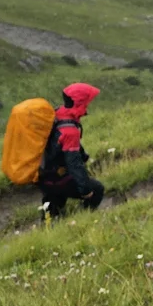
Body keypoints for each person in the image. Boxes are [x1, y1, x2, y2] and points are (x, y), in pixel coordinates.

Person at [39, 83, 105, 218]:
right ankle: (83, 219)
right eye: (86, 102)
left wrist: (84, 156)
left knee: (54, 206)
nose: (87, 105)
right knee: (97, 190)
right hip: (58, 178)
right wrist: (86, 190)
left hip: (43, 175)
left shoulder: (58, 113)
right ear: (79, 103)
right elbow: (74, 164)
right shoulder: (70, 131)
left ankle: (48, 221)